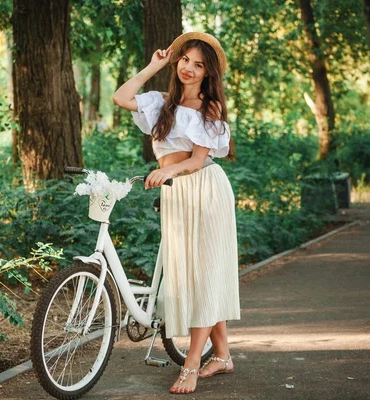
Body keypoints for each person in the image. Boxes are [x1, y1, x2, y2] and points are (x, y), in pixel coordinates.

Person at [112, 32, 241, 394]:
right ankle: (224, 355)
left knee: (203, 274)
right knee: (195, 271)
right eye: (185, 60)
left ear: (208, 73)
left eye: (199, 65)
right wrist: (154, 65)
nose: (189, 68)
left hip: (204, 189)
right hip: (176, 195)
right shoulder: (159, 103)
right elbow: (120, 97)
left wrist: (168, 171)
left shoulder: (208, 108)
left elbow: (199, 160)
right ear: (177, 60)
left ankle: (192, 364)